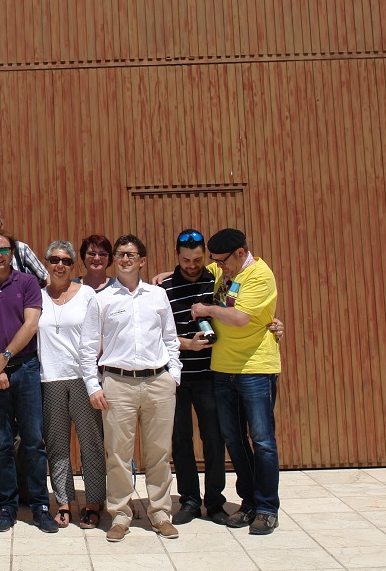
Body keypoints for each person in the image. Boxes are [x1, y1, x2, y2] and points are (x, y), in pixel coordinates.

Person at [80, 234, 181, 543]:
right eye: (121, 254)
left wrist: (173, 376)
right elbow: (87, 348)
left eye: (131, 254)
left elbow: (171, 340)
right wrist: (93, 385)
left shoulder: (157, 296)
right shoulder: (102, 298)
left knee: (160, 453)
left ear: (142, 261)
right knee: (118, 455)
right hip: (117, 383)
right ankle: (121, 514)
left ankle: (160, 512)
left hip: (157, 383)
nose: (124, 259)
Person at [0, 231, 59, 534]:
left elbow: (31, 324)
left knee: (33, 441)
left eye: (4, 249)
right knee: (2, 444)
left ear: (13, 252)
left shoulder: (28, 283)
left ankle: (41, 506)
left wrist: (3, 357)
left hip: (26, 369)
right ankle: (7, 506)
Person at [191, 228, 281, 535]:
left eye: (221, 260)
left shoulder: (259, 275)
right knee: (235, 440)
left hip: (255, 368)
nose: (217, 266)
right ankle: (249, 503)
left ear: (240, 253)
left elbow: (240, 317)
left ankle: (268, 507)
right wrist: (166, 274)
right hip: (223, 369)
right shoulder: (223, 267)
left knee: (263, 441)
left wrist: (206, 310)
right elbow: (198, 270)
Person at [159, 228, 230, 525]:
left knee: (214, 439)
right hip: (177, 377)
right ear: (177, 256)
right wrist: (186, 344)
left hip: (211, 375)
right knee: (180, 440)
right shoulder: (163, 289)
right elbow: (157, 336)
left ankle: (214, 502)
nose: (191, 265)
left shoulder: (217, 283)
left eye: (197, 260)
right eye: (186, 260)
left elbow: (241, 313)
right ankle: (189, 500)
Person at [39, 241, 106, 529]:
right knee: (57, 445)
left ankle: (93, 502)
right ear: (47, 262)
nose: (60, 265)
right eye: (55, 260)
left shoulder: (87, 294)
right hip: (49, 377)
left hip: (82, 377)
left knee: (91, 441)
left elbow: (98, 336)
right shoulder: (36, 296)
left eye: (66, 261)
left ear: (73, 265)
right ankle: (63, 502)